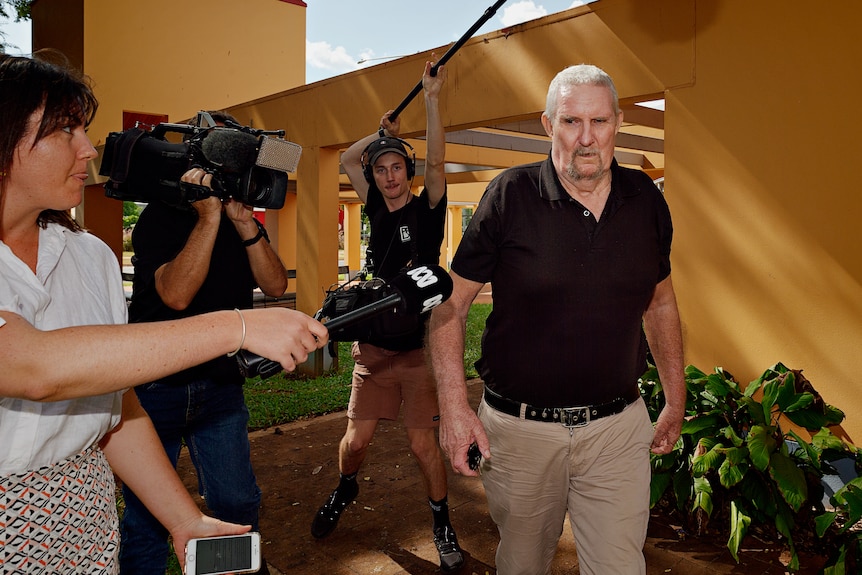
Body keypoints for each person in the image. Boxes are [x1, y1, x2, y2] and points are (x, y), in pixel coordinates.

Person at [0, 53, 328, 574]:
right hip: (20, 523)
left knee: (236, 500)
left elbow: (111, 405)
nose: (88, 148)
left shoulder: (89, 256)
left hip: (87, 519)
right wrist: (237, 324)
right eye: (66, 131)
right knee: (142, 535)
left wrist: (184, 519)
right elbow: (32, 367)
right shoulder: (160, 221)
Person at [427, 64, 686, 575]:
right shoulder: (508, 196)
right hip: (521, 435)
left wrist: (675, 397)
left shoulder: (647, 202)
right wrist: (455, 409)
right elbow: (449, 307)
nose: (586, 139)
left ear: (618, 124)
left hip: (616, 430)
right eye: (570, 122)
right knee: (522, 564)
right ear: (548, 125)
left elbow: (659, 303)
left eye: (600, 122)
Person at [310, 58, 464, 572]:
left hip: (418, 352)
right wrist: (379, 135)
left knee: (423, 446)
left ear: (409, 173)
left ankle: (442, 523)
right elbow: (349, 158)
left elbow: (438, 163)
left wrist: (431, 99)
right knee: (355, 443)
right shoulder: (375, 206)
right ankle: (345, 487)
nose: (389, 175)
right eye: (382, 169)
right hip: (373, 352)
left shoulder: (429, 210)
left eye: (397, 167)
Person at [118, 111, 288, 575]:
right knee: (149, 518)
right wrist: (208, 216)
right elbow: (175, 295)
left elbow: (274, 286)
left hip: (220, 387)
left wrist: (243, 222)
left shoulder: (238, 219)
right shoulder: (161, 217)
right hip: (156, 392)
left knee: (237, 502)